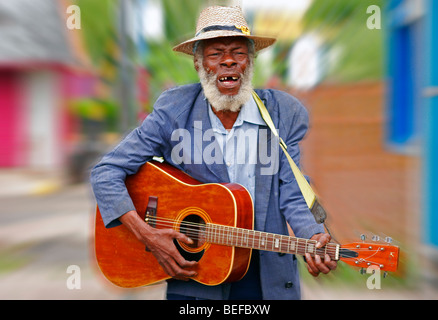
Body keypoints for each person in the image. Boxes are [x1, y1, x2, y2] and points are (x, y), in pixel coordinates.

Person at [91, 5, 336, 300]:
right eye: (216, 53)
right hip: (195, 276)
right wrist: (147, 234)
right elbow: (106, 173)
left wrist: (313, 235)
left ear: (250, 61)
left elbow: (293, 191)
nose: (228, 61)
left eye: (238, 52)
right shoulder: (174, 111)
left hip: (265, 277)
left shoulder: (281, 114)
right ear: (198, 64)